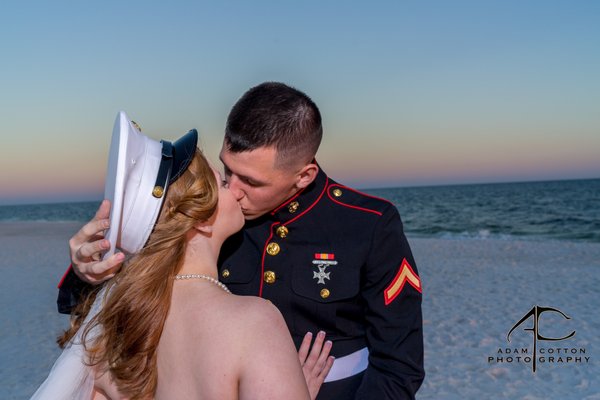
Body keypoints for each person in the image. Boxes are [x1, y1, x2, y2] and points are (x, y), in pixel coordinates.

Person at [60, 83, 425, 399]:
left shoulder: (368, 224)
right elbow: (127, 290)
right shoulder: (214, 221)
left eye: (250, 182)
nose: (232, 191)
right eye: (227, 170)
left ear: (303, 175)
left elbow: (398, 365)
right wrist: (84, 270)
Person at [33, 113, 333, 399]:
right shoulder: (256, 322)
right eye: (223, 182)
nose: (236, 191)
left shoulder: (119, 323)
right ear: (200, 219)